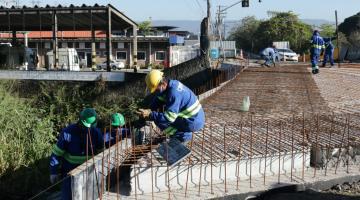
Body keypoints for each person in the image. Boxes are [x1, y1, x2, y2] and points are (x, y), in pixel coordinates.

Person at [136, 70, 205, 143]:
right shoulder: (170, 85)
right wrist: (148, 109)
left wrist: (150, 115)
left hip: (193, 121)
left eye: (156, 89)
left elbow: (169, 118)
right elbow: (158, 101)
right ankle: (179, 133)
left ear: (162, 83)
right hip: (194, 117)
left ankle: (183, 136)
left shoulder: (173, 93)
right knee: (159, 116)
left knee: (161, 120)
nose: (156, 91)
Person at [49, 108, 104, 200]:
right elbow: (56, 154)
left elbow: (102, 152)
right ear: (80, 122)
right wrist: (53, 171)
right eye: (86, 126)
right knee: (68, 197)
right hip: (69, 172)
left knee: (89, 196)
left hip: (89, 171)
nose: (88, 128)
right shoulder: (68, 132)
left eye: (90, 126)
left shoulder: (96, 133)